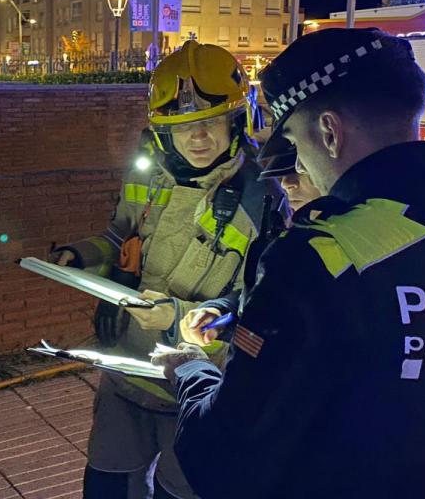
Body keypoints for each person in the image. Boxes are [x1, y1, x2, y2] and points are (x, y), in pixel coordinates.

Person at [155, 28, 425, 498]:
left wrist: (191, 369)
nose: (299, 168)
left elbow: (218, 461)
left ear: (329, 133)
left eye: (295, 144)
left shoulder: (317, 261)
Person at [52, 40, 288, 499]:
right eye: (183, 127)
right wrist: (78, 255)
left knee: (181, 492)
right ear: (163, 133)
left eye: (211, 122)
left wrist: (177, 315)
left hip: (198, 385)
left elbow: (257, 304)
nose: (198, 138)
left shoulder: (265, 199)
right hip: (126, 370)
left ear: (238, 121)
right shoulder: (147, 176)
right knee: (106, 484)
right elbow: (121, 238)